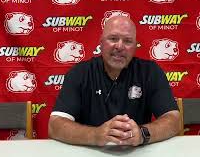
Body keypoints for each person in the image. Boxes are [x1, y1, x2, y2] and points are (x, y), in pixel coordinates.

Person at [48, 16, 180, 146]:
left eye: (127, 41)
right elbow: (55, 125)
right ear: (101, 42)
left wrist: (142, 134)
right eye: (113, 39)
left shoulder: (150, 72)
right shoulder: (80, 73)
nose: (119, 46)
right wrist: (95, 135)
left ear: (135, 46)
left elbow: (173, 120)